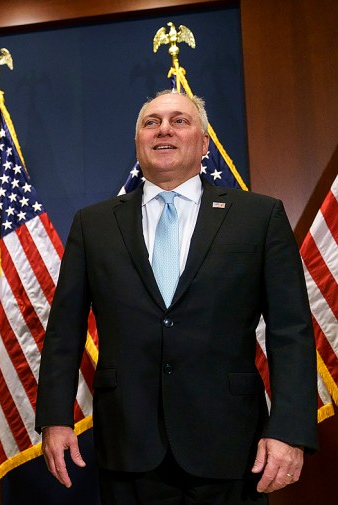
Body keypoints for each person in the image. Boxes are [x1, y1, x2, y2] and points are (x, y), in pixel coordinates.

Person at [35, 90, 318, 504]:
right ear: (138, 143)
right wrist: (55, 419)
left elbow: (290, 332)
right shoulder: (93, 224)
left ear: (204, 143)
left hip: (231, 446)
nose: (163, 129)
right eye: (151, 122)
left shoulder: (259, 216)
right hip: (128, 446)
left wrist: (290, 431)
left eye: (179, 121)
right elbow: (64, 333)